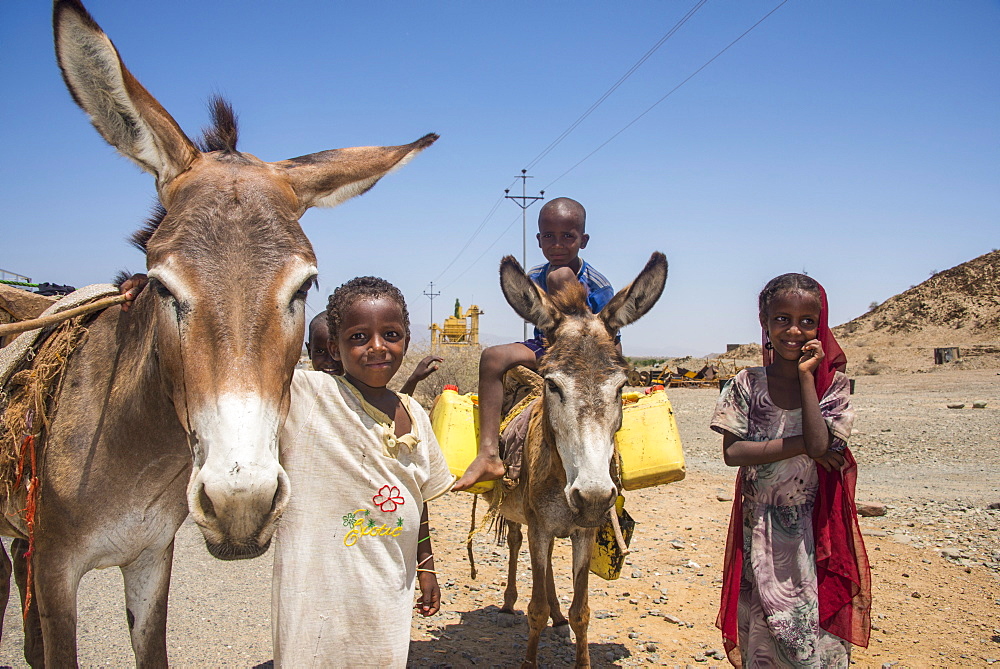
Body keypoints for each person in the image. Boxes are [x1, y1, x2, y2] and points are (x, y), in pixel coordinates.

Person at [272, 276, 453, 667]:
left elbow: (417, 503)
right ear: (334, 348)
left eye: (390, 334)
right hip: (316, 598)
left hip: (388, 594)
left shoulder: (416, 415)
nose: (377, 347)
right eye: (357, 337)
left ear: (406, 338)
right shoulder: (308, 396)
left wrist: (426, 568)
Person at [710, 273, 871, 668]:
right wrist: (810, 447)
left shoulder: (833, 386)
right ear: (764, 323)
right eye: (781, 319)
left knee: (809, 633)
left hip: (813, 531)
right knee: (766, 632)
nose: (793, 330)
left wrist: (805, 377)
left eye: (806, 321)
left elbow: (822, 444)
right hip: (760, 526)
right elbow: (734, 452)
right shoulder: (746, 384)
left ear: (821, 325)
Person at [453, 197, 617, 491]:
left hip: (586, 357)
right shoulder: (532, 277)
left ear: (584, 240)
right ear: (539, 239)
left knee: (561, 277)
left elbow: (611, 337)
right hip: (546, 348)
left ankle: (606, 458)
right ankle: (488, 452)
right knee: (492, 357)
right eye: (549, 237)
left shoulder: (599, 285)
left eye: (568, 236)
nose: (558, 244)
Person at [307, 310, 443, 394]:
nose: (330, 360)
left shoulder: (358, 390)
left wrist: (413, 380)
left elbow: (388, 415)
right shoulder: (302, 391)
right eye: (319, 351)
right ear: (309, 351)